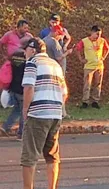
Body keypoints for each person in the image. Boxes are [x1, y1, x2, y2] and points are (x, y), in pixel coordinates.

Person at [21, 37, 68, 189]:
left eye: (26, 49)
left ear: (33, 50)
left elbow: (29, 88)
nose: (24, 52)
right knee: (52, 155)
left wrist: (25, 110)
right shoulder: (55, 64)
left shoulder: (32, 63)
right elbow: (64, 93)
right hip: (55, 114)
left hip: (38, 114)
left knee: (29, 157)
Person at [75, 26, 109, 109]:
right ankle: (85, 101)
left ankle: (95, 101)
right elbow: (77, 49)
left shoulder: (102, 41)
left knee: (98, 84)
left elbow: (107, 48)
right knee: (87, 84)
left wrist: (103, 57)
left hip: (99, 66)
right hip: (88, 66)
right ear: (92, 32)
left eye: (100, 34)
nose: (98, 36)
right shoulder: (84, 41)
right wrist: (81, 59)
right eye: (97, 34)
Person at [43, 25, 74, 118]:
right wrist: (68, 52)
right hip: (57, 70)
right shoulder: (54, 42)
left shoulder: (44, 40)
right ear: (56, 33)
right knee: (61, 91)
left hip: (47, 69)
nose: (61, 37)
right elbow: (59, 57)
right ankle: (62, 112)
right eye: (60, 35)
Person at [0, 41, 27, 141]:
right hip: (22, 89)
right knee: (24, 112)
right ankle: (21, 134)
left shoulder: (14, 56)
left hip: (13, 88)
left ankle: (5, 126)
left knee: (16, 110)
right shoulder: (27, 58)